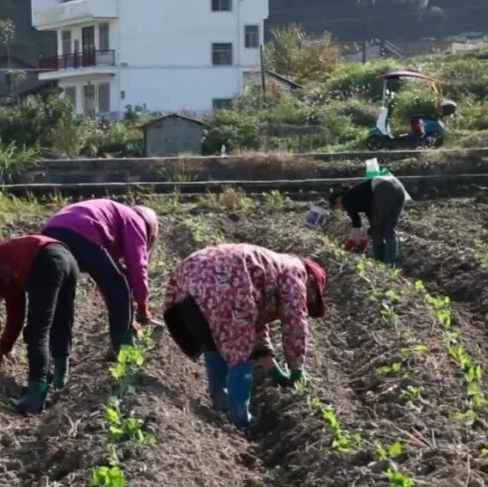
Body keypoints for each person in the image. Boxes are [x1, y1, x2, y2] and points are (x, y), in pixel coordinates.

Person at [163, 244, 326, 430]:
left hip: (189, 279)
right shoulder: (296, 272)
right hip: (224, 282)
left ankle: (221, 403)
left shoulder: (272, 267)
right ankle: (241, 419)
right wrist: (296, 368)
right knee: (241, 349)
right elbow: (295, 323)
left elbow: (256, 323)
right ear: (312, 280)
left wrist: (271, 367)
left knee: (214, 341)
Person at [0, 235, 79, 414]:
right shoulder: (9, 267)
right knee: (60, 322)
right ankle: (59, 379)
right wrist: (1, 350)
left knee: (38, 332)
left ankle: (35, 396)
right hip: (67, 259)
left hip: (45, 259)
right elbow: (16, 316)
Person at [41, 199, 158, 355]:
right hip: (80, 229)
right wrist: (143, 307)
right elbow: (138, 267)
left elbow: (105, 280)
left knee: (61, 300)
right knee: (119, 287)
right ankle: (123, 351)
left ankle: (56, 362)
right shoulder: (135, 220)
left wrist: (121, 311)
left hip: (50, 233)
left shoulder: (113, 220)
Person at [330, 175, 407, 266]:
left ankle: (382, 262)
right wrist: (366, 237)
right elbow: (372, 217)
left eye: (338, 207)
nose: (342, 210)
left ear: (338, 200)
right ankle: (391, 262)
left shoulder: (347, 200)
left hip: (384, 187)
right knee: (388, 229)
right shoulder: (363, 198)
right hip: (399, 187)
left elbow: (357, 224)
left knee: (377, 230)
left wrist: (349, 247)